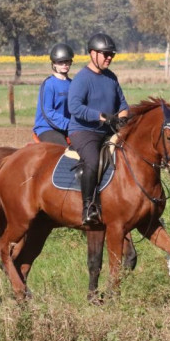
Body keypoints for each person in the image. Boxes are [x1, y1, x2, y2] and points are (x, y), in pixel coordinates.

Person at [67, 32, 129, 226]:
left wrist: (123, 119)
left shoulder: (111, 78)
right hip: (84, 131)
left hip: (109, 131)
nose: (109, 57)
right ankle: (88, 208)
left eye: (112, 54)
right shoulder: (82, 79)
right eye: (105, 54)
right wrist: (100, 116)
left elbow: (123, 106)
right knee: (93, 160)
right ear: (92, 53)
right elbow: (74, 107)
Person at [33, 43, 75, 145]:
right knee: (63, 151)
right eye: (60, 62)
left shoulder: (73, 84)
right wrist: (69, 124)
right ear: (54, 64)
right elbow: (48, 113)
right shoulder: (49, 84)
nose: (64, 65)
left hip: (68, 127)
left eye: (67, 61)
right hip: (47, 128)